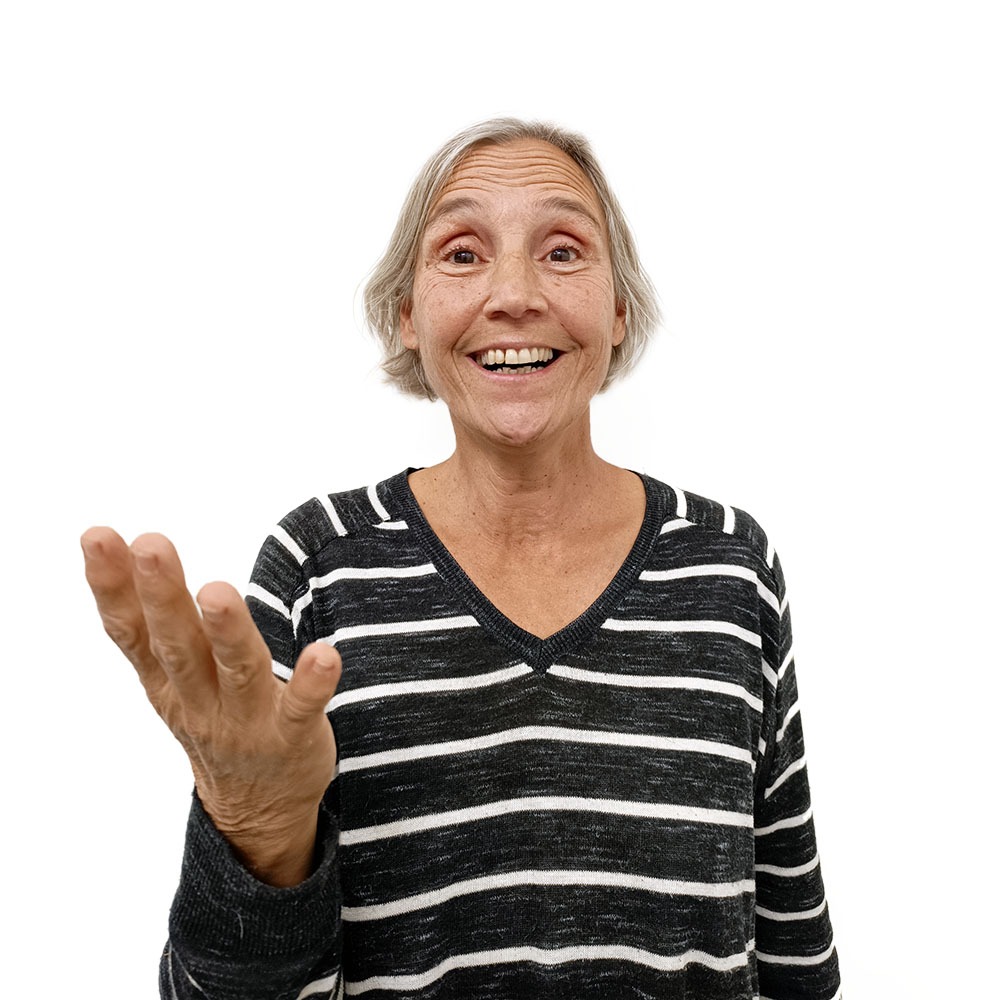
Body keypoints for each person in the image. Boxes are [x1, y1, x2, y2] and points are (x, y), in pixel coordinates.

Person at [82, 118, 841, 1000]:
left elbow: (794, 960)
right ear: (408, 314)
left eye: (563, 252)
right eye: (463, 254)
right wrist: (256, 834)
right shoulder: (319, 567)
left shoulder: (730, 567)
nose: (513, 294)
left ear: (619, 310)